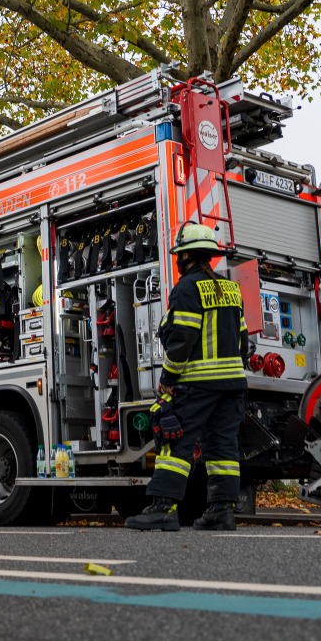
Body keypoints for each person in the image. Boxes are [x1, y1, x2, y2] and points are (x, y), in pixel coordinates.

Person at [126, 222, 249, 532]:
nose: (178, 261)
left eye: (180, 256)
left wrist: (167, 378)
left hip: (197, 384)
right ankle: (221, 511)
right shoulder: (232, 290)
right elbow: (244, 342)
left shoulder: (185, 289)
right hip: (233, 385)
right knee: (222, 448)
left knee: (174, 444)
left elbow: (182, 339)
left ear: (189, 256)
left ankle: (163, 509)